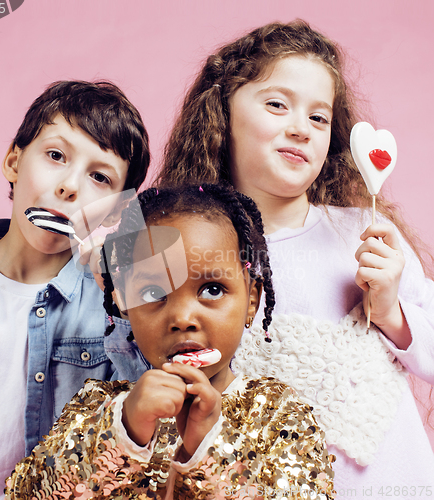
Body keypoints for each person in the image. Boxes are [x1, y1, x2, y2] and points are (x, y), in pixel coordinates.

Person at [151, 21, 434, 494]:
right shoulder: (171, 245)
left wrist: (391, 313)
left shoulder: (365, 234)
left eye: (319, 118)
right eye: (277, 104)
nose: (300, 129)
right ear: (222, 112)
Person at [5, 183, 335, 499]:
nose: (182, 318)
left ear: (251, 301)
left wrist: (208, 447)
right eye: (152, 293)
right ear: (126, 307)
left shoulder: (277, 413)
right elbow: (28, 492)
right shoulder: (99, 405)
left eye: (212, 289)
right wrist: (125, 431)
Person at [0, 80, 150, 500]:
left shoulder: (114, 311)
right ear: (13, 161)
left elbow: (152, 431)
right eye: (55, 156)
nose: (70, 186)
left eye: (99, 177)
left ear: (116, 211)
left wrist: (127, 293)